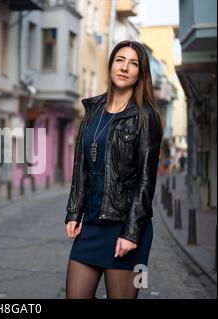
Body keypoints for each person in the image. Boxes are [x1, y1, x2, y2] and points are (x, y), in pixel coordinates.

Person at [64, 40, 163, 299]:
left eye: (133, 63)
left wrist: (131, 233)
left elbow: (145, 181)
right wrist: (75, 211)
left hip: (127, 227)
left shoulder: (146, 116)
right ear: (110, 65)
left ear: (140, 73)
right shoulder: (93, 109)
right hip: (92, 224)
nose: (124, 67)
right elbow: (81, 166)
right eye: (120, 60)